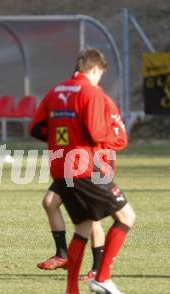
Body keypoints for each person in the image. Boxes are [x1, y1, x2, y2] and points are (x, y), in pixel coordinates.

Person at [30, 48, 136, 294]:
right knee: (126, 217)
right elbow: (97, 132)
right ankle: (103, 277)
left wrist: (61, 140)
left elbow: (36, 128)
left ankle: (72, 293)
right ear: (97, 69)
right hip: (86, 169)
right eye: (100, 75)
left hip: (62, 168)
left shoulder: (55, 91)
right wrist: (118, 139)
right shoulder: (92, 92)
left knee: (84, 227)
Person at [37, 93, 127, 281]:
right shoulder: (77, 101)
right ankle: (62, 255)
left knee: (92, 217)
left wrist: (95, 139)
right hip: (76, 164)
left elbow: (119, 137)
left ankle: (96, 269)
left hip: (97, 164)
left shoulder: (103, 102)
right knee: (50, 202)